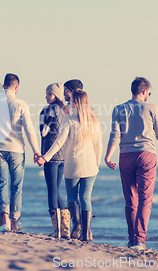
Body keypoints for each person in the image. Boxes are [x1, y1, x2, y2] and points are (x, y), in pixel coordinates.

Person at [104, 77, 158, 250]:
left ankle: (132, 239)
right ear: (144, 91)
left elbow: (115, 135)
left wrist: (107, 156)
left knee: (130, 200)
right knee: (145, 199)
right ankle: (140, 240)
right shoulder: (152, 108)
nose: (149, 95)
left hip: (125, 155)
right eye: (149, 92)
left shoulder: (119, 109)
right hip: (146, 155)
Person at [37, 89, 102, 242]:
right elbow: (98, 144)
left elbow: (59, 142)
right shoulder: (94, 120)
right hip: (91, 165)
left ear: (75, 102)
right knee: (86, 198)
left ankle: (77, 224)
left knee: (72, 197)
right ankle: (85, 234)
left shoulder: (70, 120)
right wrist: (97, 162)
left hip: (73, 164)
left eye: (71, 99)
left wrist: (45, 158)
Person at [0, 73, 41, 232]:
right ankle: (15, 223)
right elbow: (29, 130)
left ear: (3, 86)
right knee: (16, 186)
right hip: (16, 150)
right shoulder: (21, 104)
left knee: (1, 183)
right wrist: (36, 151)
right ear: (16, 87)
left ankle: (5, 222)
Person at [38, 83, 71, 238]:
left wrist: (41, 117)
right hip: (62, 155)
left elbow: (44, 131)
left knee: (52, 191)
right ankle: (65, 229)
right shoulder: (66, 110)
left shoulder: (51, 109)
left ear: (56, 95)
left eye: (49, 94)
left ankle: (58, 230)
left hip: (50, 155)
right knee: (56, 190)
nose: (46, 96)